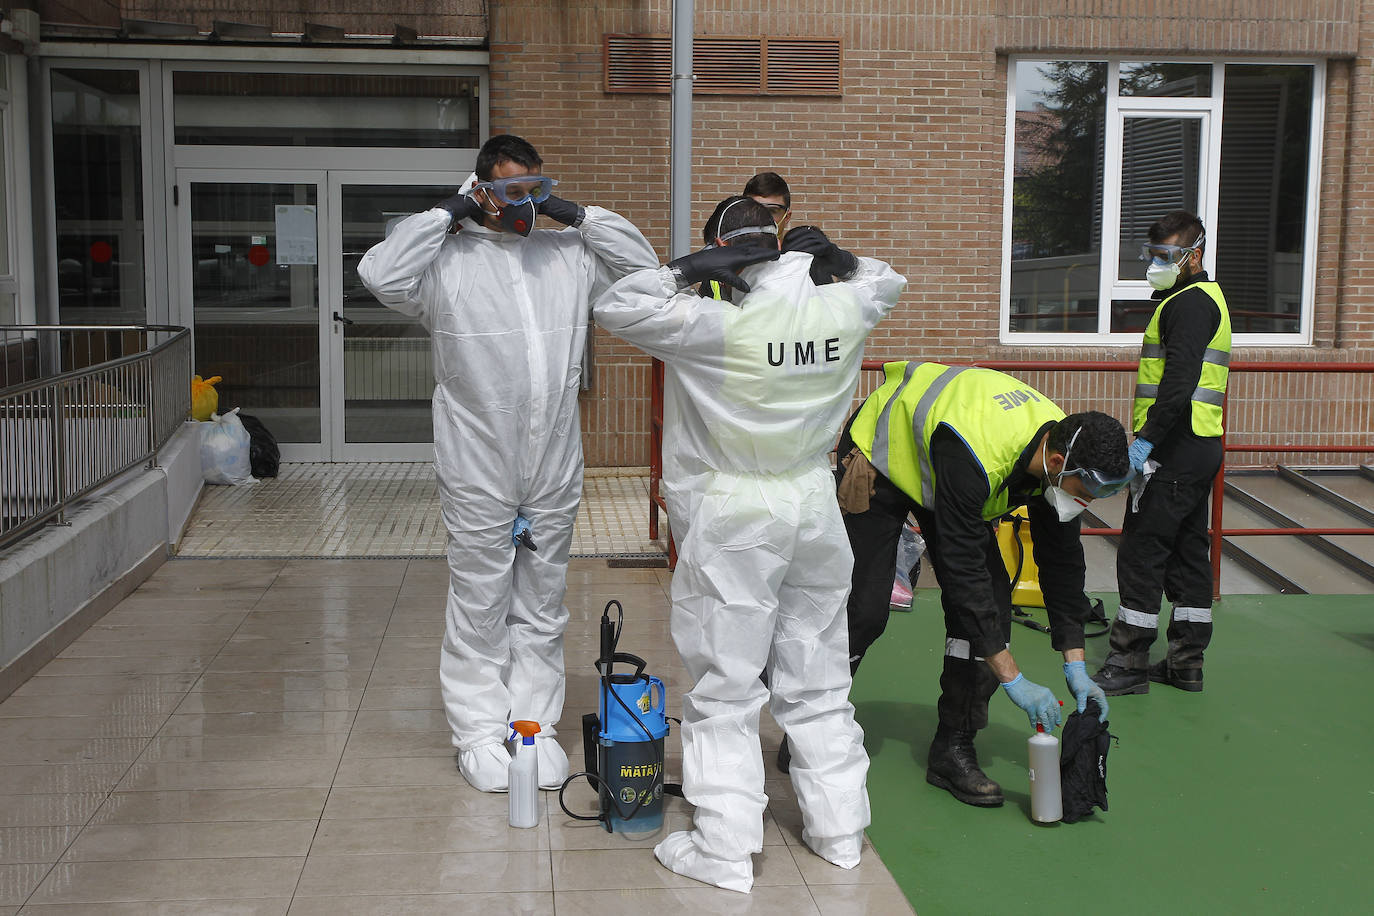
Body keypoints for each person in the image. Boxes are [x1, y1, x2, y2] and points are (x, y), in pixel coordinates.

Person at [593, 197, 906, 892]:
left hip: (740, 509)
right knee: (820, 677)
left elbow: (617, 305)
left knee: (726, 688)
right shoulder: (841, 307)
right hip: (813, 504)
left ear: (725, 253)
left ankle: (726, 849)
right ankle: (840, 832)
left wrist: (685, 268)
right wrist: (840, 260)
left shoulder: (716, 325)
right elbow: (885, 280)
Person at [357, 135, 657, 793]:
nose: (526, 205)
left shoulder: (564, 256)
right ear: (482, 194)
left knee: (543, 602)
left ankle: (532, 724)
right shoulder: (446, 264)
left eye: (536, 190)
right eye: (512, 192)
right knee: (480, 601)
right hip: (478, 465)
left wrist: (578, 215)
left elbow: (643, 269)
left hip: (551, 464)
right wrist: (446, 215)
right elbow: (380, 274)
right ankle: (475, 732)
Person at [833, 363, 1128, 807]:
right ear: (1055, 462)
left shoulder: (1063, 457)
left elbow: (1063, 566)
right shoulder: (979, 453)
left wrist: (1075, 663)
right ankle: (814, 723)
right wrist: (1013, 677)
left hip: (944, 473)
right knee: (864, 609)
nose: (1085, 502)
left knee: (991, 603)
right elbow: (959, 565)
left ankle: (953, 748)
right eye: (1085, 490)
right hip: (884, 455)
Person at [1093, 211, 1230, 696]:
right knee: (1190, 553)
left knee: (1143, 551)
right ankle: (1185, 662)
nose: (1155, 263)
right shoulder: (1201, 299)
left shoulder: (1189, 305)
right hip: (1200, 446)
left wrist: (1147, 441)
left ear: (1193, 256)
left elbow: (1177, 384)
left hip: (1173, 450)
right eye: (1151, 254)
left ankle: (1128, 661)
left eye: (1166, 255)